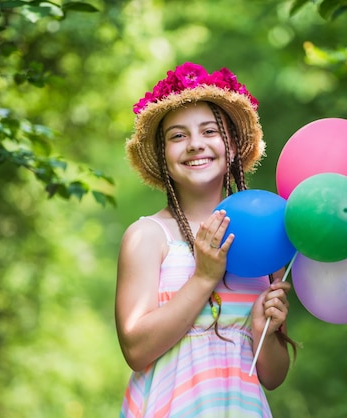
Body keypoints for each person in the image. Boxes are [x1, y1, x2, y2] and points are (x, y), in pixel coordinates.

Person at [116, 62, 296, 417]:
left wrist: (264, 330)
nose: (195, 145)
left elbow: (273, 376)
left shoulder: (266, 235)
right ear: (164, 157)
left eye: (209, 131)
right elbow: (136, 350)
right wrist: (203, 278)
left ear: (231, 144)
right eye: (178, 136)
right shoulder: (147, 236)